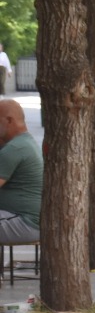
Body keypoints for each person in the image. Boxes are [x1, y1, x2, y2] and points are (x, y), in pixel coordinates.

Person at [0, 98, 42, 245]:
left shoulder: (14, 149)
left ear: (9, 120)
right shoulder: (25, 142)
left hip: (24, 222)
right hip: (24, 220)